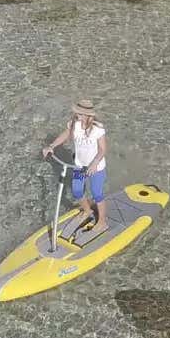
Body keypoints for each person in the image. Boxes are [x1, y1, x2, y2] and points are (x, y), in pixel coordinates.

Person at [42, 99, 108, 236]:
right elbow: (66, 134)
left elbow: (103, 149)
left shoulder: (97, 128)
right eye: (77, 112)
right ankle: (87, 210)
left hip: (97, 168)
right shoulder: (74, 124)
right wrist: (52, 146)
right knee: (77, 191)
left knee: (97, 194)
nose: (77, 115)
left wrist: (95, 163)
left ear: (88, 115)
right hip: (79, 166)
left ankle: (102, 222)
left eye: (80, 113)